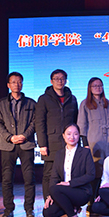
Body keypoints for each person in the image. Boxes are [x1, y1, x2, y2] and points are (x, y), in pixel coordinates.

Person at [0, 71, 36, 217]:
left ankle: (29, 208)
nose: (17, 84)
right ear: (8, 85)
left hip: (26, 144)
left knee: (29, 178)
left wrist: (24, 135)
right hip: (8, 145)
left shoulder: (31, 103)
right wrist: (9, 137)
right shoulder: (0, 104)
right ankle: (8, 209)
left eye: (19, 82)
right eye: (13, 82)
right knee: (7, 179)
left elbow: (35, 122)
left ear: (22, 84)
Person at [35, 69, 78, 199]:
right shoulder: (44, 99)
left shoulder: (72, 98)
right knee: (49, 174)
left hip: (69, 142)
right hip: (51, 142)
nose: (60, 81)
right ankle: (48, 202)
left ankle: (65, 202)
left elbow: (76, 122)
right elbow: (39, 122)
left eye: (62, 78)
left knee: (68, 173)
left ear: (66, 81)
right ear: (51, 81)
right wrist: (42, 144)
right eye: (56, 79)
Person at [43, 123, 95, 217]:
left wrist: (69, 183)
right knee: (47, 213)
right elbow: (54, 177)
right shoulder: (59, 154)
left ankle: (73, 216)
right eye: (69, 134)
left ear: (79, 136)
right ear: (63, 136)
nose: (72, 137)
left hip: (81, 191)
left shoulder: (85, 152)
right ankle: (73, 208)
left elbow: (91, 175)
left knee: (55, 189)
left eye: (75, 134)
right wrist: (50, 196)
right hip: (63, 192)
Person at [77, 77, 109, 215]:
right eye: (94, 86)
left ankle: (102, 202)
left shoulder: (108, 104)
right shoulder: (85, 104)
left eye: (100, 85)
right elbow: (82, 126)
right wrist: (85, 145)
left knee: (106, 173)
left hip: (107, 144)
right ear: (90, 88)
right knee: (94, 174)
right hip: (93, 144)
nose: (98, 88)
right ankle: (91, 203)